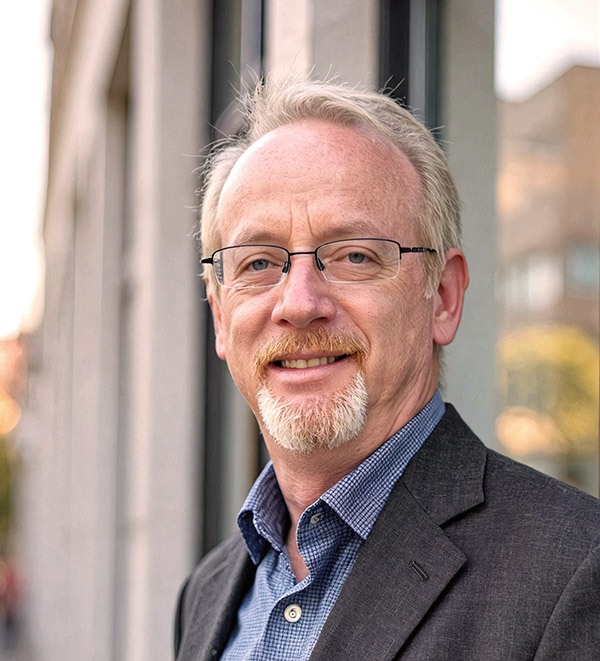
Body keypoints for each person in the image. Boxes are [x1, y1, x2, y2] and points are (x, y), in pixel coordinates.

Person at [174, 78, 600, 660]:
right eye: (259, 263)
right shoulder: (205, 594)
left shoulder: (572, 571)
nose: (299, 303)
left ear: (443, 297)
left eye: (355, 255)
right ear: (221, 315)